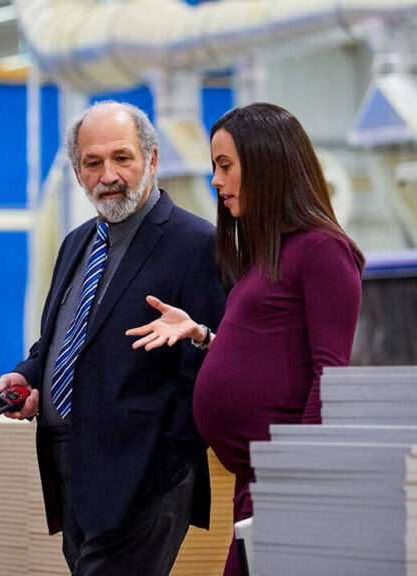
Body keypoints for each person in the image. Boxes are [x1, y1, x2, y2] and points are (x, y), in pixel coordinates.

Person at [126, 102, 364, 576]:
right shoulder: (267, 256)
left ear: (266, 164)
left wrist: (296, 476)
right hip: (255, 477)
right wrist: (204, 336)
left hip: (282, 481)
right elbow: (272, 352)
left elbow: (330, 374)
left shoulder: (323, 252)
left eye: (225, 166)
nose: (215, 181)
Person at [0, 101, 227, 576]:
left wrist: (167, 467)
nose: (109, 175)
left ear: (152, 160)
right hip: (71, 464)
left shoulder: (195, 243)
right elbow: (62, 342)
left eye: (122, 158)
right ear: (78, 172)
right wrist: (26, 374)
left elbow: (208, 366)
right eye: (93, 162)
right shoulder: (77, 242)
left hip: (143, 472)